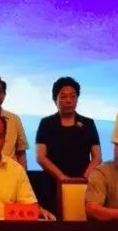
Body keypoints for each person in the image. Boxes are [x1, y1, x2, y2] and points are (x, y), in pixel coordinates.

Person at [34, 77, 101, 213]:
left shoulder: (88, 123)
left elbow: (97, 157)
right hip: (52, 182)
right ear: (55, 99)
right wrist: (62, 178)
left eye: (73, 96)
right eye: (63, 96)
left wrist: (83, 179)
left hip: (83, 183)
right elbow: (40, 156)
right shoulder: (46, 123)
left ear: (77, 99)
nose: (69, 100)